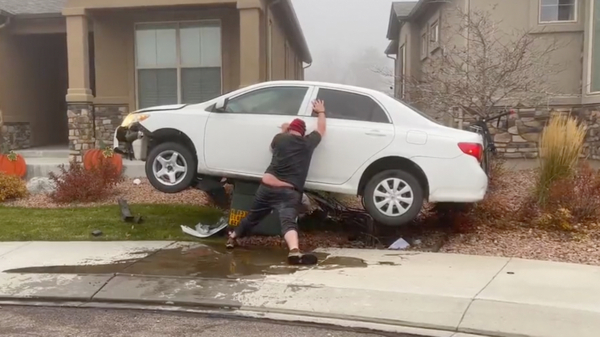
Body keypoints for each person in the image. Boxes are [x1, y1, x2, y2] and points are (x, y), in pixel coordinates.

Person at [226, 99, 327, 265]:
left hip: (266, 188)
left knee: (252, 217)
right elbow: (321, 129)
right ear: (302, 132)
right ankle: (294, 250)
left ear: (290, 129)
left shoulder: (280, 139)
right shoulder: (307, 143)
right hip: (288, 192)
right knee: (288, 222)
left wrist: (283, 130)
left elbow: (272, 148)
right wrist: (321, 111)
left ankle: (232, 237)